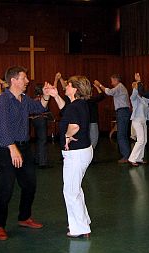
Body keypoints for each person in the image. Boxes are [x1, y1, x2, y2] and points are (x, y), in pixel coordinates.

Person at [0, 66, 50, 240]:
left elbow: (40, 107)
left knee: (30, 184)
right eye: (24, 78)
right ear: (14, 80)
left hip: (23, 147)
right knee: (6, 188)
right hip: (6, 148)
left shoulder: (24, 99)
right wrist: (13, 149)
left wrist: (46, 95)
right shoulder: (4, 100)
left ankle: (24, 217)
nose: (27, 81)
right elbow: (2, 127)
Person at [44, 75, 93, 238]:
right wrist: (55, 95)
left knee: (70, 191)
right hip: (84, 150)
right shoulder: (79, 104)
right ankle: (83, 221)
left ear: (75, 89)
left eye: (68, 85)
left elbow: (74, 126)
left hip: (76, 153)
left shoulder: (75, 106)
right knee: (75, 188)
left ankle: (80, 228)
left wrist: (66, 137)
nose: (65, 87)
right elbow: (65, 110)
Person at [94, 75, 131, 163]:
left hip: (122, 112)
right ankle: (127, 154)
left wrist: (99, 85)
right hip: (123, 112)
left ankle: (126, 156)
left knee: (121, 135)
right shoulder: (121, 87)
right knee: (123, 134)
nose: (111, 82)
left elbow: (109, 92)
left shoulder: (119, 87)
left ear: (115, 80)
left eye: (112, 80)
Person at [128, 78, 149, 167]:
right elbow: (134, 93)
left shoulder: (144, 98)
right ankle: (132, 159)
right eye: (136, 86)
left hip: (143, 121)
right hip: (136, 121)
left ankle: (139, 158)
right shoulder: (134, 98)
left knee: (144, 140)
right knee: (140, 140)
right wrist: (137, 82)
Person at [30, 83, 51, 169]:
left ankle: (37, 159)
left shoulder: (33, 98)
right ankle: (43, 162)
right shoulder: (42, 99)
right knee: (42, 140)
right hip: (41, 120)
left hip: (34, 120)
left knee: (38, 140)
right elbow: (44, 110)